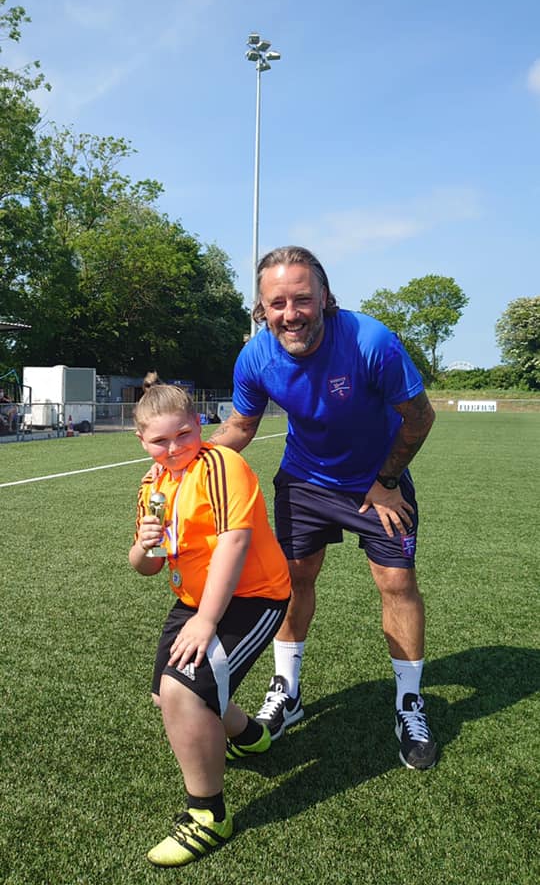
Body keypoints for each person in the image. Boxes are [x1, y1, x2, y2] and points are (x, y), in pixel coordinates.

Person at [209, 246, 438, 770]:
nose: (291, 314)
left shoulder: (370, 341)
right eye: (277, 303)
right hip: (304, 482)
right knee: (292, 581)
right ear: (262, 308)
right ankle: (286, 692)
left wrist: (385, 481)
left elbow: (420, 417)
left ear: (325, 298)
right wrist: (191, 463)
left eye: (302, 300)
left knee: (397, 583)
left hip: (377, 483)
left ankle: (409, 702)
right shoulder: (256, 357)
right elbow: (241, 426)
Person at [130, 384, 290, 867]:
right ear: (142, 440)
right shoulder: (153, 486)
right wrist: (144, 543)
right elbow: (146, 566)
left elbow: (235, 544)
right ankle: (249, 736)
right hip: (194, 599)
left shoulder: (221, 464)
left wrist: (206, 620)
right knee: (166, 695)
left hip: (253, 596)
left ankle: (208, 815)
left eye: (183, 434)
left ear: (199, 424)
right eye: (160, 441)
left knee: (184, 692)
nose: (174, 448)